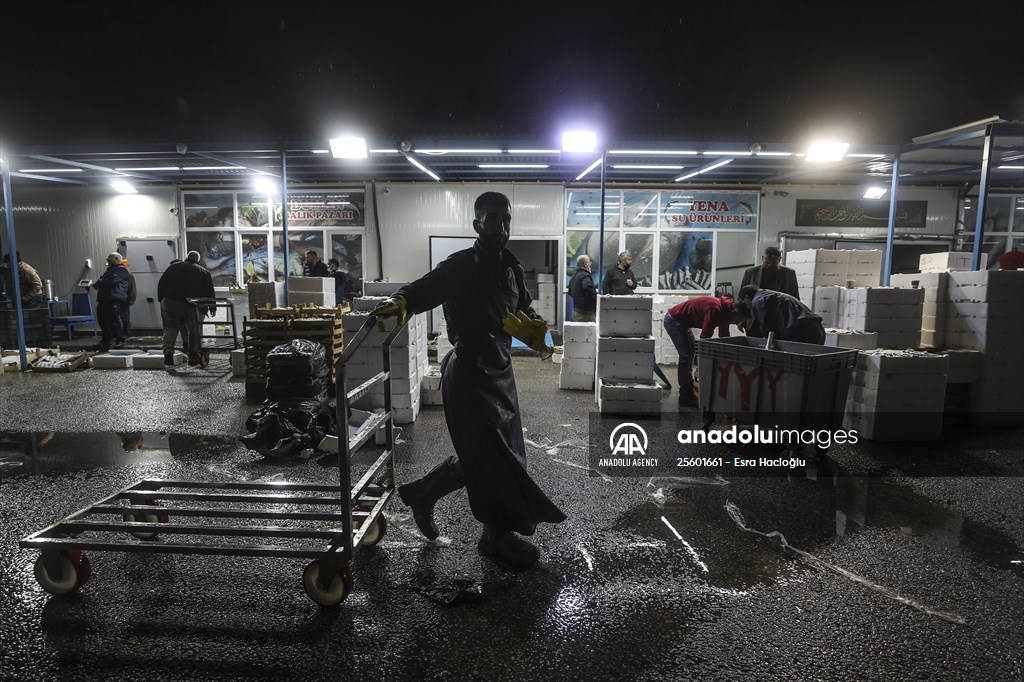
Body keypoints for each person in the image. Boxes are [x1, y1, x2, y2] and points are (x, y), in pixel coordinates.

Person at [371, 191, 565, 570]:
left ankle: (424, 493)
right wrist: (401, 301)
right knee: (493, 456)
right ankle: (495, 536)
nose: (501, 226)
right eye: (492, 219)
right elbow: (420, 289)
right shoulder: (459, 266)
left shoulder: (512, 269)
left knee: (501, 453)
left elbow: (523, 306)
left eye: (506, 219)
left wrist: (536, 328)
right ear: (477, 224)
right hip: (469, 373)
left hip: (501, 374)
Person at [664, 295, 746, 408]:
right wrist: (703, 361)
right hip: (674, 320)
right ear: (733, 313)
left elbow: (724, 336)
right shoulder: (715, 309)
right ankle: (685, 397)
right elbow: (705, 336)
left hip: (683, 322)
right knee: (686, 355)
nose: (736, 323)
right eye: (737, 320)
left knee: (691, 353)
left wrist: (728, 358)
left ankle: (688, 391)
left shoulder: (726, 312)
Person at [157, 251, 215, 367]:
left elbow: (161, 283)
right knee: (194, 330)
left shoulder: (173, 267)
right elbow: (209, 291)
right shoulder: (203, 271)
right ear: (198, 261)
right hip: (192, 303)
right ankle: (193, 356)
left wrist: (162, 299)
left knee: (170, 327)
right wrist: (212, 307)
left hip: (170, 300)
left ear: (186, 257)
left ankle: (168, 351)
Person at [737, 285, 825, 344]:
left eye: (745, 303)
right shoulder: (769, 294)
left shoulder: (758, 301)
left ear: (747, 297)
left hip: (802, 334)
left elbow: (768, 330)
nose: (748, 307)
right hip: (816, 329)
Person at [91, 252, 130, 351]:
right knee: (103, 320)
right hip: (105, 299)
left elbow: (111, 281)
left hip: (114, 299)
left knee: (115, 320)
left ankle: (120, 340)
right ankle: (106, 340)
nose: (107, 259)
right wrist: (100, 282)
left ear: (116, 259)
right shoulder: (110, 271)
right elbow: (104, 280)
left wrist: (99, 282)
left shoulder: (121, 270)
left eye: (110, 258)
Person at [568, 254, 597, 322]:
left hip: (576, 312)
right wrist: (594, 298)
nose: (590, 264)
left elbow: (570, 292)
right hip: (586, 313)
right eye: (589, 262)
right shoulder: (585, 275)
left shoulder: (574, 276)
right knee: (589, 329)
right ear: (585, 264)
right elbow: (587, 287)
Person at [118, 256, 137, 341]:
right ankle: (125, 333)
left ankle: (125, 333)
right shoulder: (127, 273)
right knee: (124, 316)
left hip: (124, 298)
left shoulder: (127, 274)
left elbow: (131, 287)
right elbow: (132, 288)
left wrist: (131, 299)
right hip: (124, 298)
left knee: (124, 317)